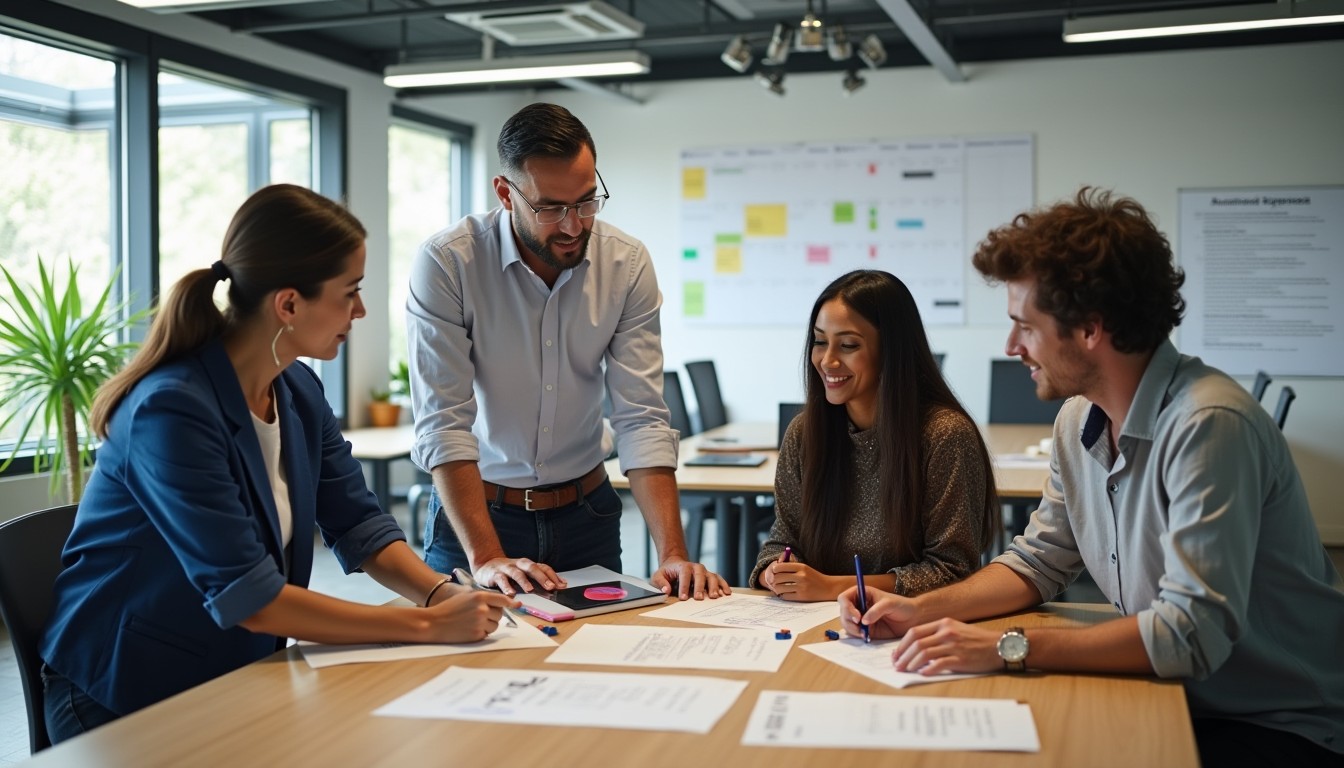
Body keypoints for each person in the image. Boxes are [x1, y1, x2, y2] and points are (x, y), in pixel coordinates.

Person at [838, 188, 1344, 765]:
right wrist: (920, 609)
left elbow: (1189, 635)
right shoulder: (1078, 418)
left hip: (1275, 722)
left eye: (1024, 327)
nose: (1011, 347)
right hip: (1170, 693)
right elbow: (1039, 560)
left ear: (1089, 330)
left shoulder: (1209, 425)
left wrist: (1007, 646)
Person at [39, 184, 513, 743]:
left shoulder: (297, 389)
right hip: (123, 693)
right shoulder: (171, 409)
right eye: (349, 293)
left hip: (228, 669)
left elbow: (358, 523)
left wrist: (437, 593)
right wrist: (425, 625)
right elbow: (250, 596)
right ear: (288, 304)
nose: (359, 311)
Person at [407, 103, 728, 599]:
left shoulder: (626, 263)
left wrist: (672, 554)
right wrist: (487, 558)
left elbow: (641, 416)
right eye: (551, 208)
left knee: (598, 666)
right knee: (465, 667)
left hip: (587, 514)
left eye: (585, 201)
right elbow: (444, 423)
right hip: (477, 516)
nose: (574, 226)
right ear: (505, 193)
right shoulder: (449, 264)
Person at [750, 270, 997, 601]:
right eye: (820, 341)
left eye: (849, 345)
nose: (827, 360)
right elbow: (783, 541)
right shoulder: (805, 433)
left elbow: (953, 571)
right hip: (817, 624)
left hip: (911, 629)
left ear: (891, 351)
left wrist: (833, 587)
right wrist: (776, 570)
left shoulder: (945, 436)